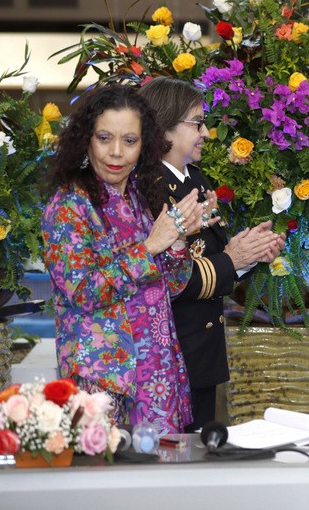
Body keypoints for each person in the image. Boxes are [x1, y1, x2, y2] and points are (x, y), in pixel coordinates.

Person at [42, 85, 210, 433]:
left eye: (130, 140)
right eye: (104, 138)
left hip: (157, 374)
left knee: (162, 468)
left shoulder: (139, 195)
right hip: (104, 382)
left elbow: (171, 286)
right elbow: (81, 292)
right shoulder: (69, 205)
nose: (116, 152)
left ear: (144, 145)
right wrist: (149, 248)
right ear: (86, 140)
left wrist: (179, 239)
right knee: (104, 467)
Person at [138, 77, 286, 432]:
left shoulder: (196, 179)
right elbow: (164, 276)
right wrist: (234, 259)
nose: (205, 132)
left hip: (202, 350)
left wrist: (248, 254)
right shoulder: (147, 188)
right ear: (164, 127)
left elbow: (215, 256)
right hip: (168, 350)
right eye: (197, 123)